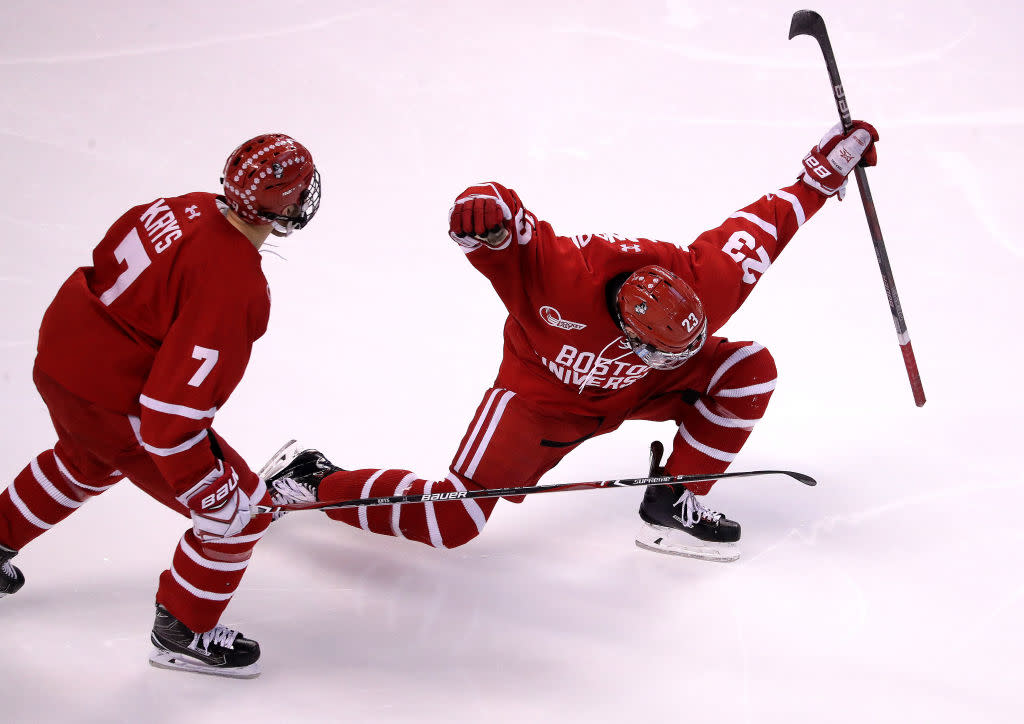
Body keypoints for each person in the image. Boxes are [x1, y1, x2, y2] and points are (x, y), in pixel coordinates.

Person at [263, 120, 876, 562]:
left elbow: (765, 226)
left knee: (747, 369)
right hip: (540, 404)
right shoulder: (561, 276)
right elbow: (507, 229)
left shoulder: (706, 283)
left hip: (638, 388)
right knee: (453, 522)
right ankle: (309, 478)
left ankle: (672, 502)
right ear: (628, 325)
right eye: (659, 347)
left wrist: (819, 176)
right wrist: (484, 209)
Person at [0, 133, 321, 677]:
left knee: (86, 459)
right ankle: (183, 631)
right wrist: (208, 488)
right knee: (243, 513)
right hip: (115, 401)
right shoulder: (233, 283)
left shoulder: (183, 206)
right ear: (285, 203)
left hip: (63, 361)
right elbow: (172, 414)